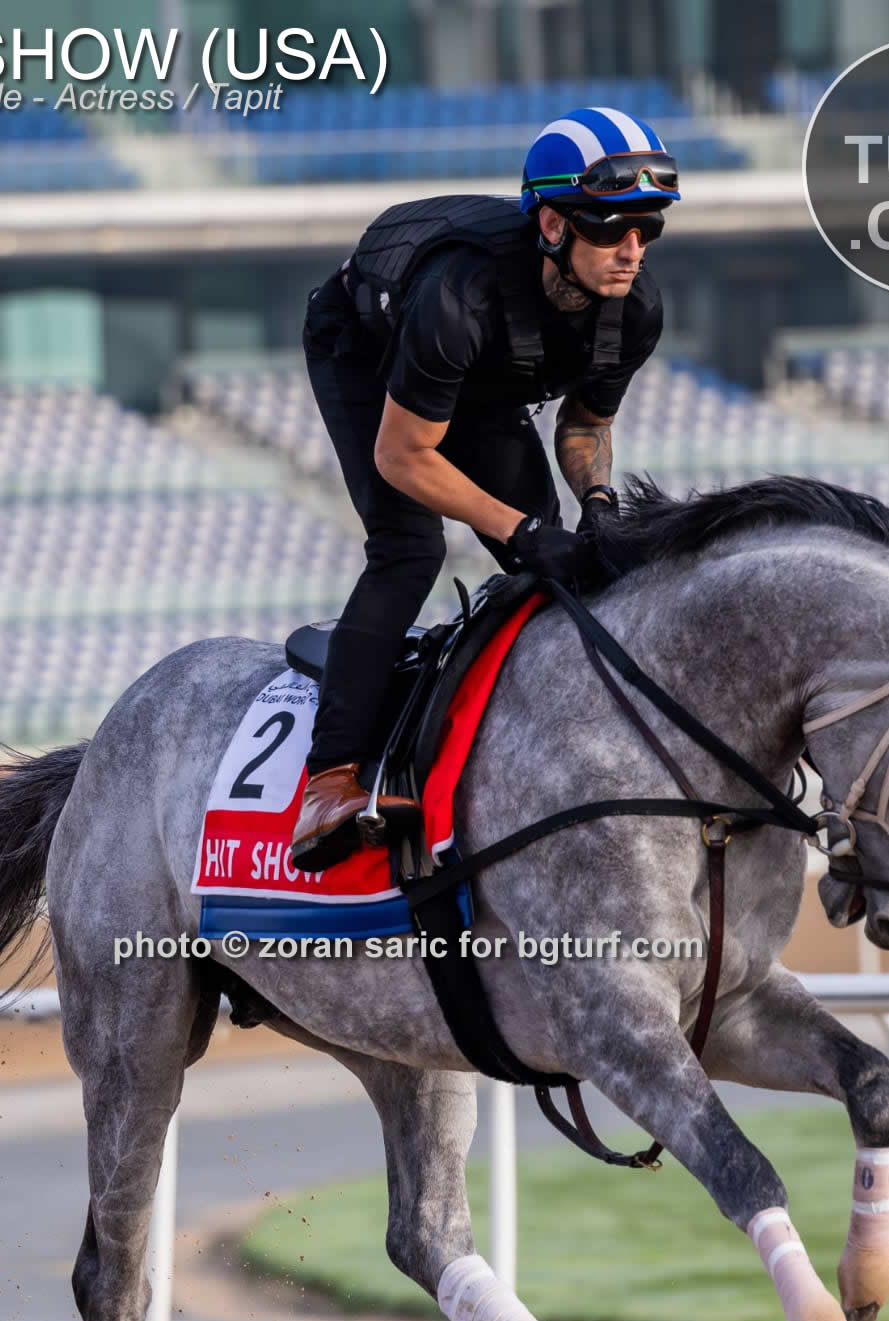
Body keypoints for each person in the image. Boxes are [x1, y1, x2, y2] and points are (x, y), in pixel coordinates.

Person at [291, 106, 678, 871]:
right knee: (409, 549)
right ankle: (327, 783)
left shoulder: (635, 308)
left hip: (484, 377)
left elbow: (584, 426)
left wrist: (596, 505)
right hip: (369, 353)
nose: (632, 251)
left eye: (648, 229)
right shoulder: (458, 295)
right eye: (610, 230)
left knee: (557, 571)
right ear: (552, 226)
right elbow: (403, 456)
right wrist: (522, 529)